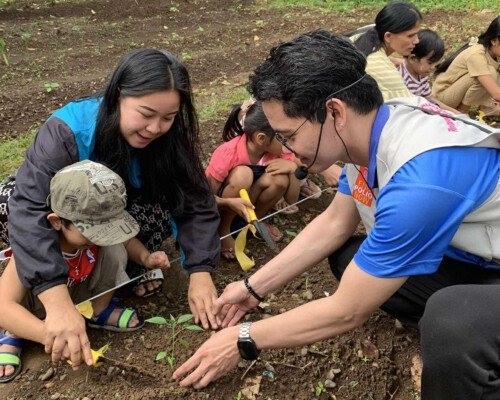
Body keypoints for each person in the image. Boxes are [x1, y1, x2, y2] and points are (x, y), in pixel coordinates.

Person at [172, 30, 500, 400]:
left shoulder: (422, 177)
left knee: (452, 321)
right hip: (470, 259)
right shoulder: (371, 131)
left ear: (335, 112)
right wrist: (252, 288)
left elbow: (348, 310)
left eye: (288, 135)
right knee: (350, 258)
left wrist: (242, 338)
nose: (285, 149)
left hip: (487, 265)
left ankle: (470, 345)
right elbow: (335, 222)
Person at [1, 49, 221, 371]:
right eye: (146, 114)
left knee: (137, 230)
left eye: (168, 117)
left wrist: (201, 271)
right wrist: (56, 301)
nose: (155, 128)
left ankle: (99, 301)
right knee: (17, 224)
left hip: (108, 209)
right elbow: (29, 208)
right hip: (64, 207)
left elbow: (195, 202)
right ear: (118, 95)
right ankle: (23, 322)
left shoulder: (170, 137)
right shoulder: (68, 132)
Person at [0, 160, 170, 382]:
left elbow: (127, 242)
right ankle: (14, 333)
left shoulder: (97, 239)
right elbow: (3, 305)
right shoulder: (34, 250)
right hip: (40, 307)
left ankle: (98, 310)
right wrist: (49, 336)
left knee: (115, 249)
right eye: (93, 231)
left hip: (80, 291)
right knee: (15, 311)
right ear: (57, 221)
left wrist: (146, 257)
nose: (100, 237)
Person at [205, 101, 300, 260]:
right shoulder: (228, 153)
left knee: (280, 179)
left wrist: (293, 169)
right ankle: (223, 231)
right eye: (284, 138)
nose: (289, 143)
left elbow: (291, 200)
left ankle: (252, 223)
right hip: (224, 208)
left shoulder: (280, 153)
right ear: (261, 138)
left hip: (249, 206)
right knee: (243, 175)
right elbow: (207, 196)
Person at [353, 1, 421, 101]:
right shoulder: (386, 72)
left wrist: (397, 61)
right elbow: (413, 105)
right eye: (410, 35)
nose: (417, 40)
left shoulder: (365, 33)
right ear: (388, 36)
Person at [433, 16, 500, 114]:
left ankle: (486, 106)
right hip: (443, 98)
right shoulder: (476, 54)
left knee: (493, 73)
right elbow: (496, 94)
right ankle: (462, 110)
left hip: (456, 92)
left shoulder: (492, 52)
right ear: (494, 41)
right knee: (489, 74)